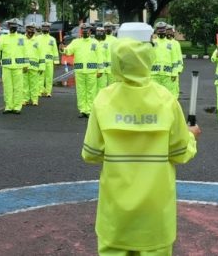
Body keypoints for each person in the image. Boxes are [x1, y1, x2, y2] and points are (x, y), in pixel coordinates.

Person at [82, 30, 200, 256]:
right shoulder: (166, 99)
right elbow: (180, 153)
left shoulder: (103, 99)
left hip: (115, 215)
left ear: (115, 60)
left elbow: (91, 154)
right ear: (149, 58)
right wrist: (191, 135)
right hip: (155, 216)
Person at [63, 23, 102, 118]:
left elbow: (100, 57)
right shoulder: (76, 42)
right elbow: (68, 51)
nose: (85, 31)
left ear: (90, 31)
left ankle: (89, 110)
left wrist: (100, 70)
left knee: (91, 92)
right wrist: (62, 49)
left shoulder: (95, 42)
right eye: (83, 29)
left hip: (91, 71)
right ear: (81, 31)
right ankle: (82, 110)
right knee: (80, 92)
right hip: (79, 71)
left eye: (87, 29)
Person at [0, 18, 28, 114]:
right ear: (8, 26)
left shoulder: (22, 38)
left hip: (18, 66)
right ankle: (8, 106)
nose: (12, 27)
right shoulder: (3, 37)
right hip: (7, 66)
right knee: (7, 87)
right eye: (11, 25)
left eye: (14, 26)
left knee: (18, 87)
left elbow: (26, 52)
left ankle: (17, 107)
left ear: (17, 27)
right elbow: (0, 48)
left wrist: (26, 65)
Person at [151, 21, 176, 95]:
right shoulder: (152, 43)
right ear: (156, 31)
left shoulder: (171, 44)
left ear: (165, 30)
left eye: (163, 29)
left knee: (167, 95)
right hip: (154, 75)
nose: (161, 31)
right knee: (154, 95)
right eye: (159, 29)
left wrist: (174, 73)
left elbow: (175, 59)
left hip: (167, 75)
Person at [23, 23, 44, 106]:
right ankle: (25, 99)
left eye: (32, 30)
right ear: (26, 30)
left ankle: (34, 99)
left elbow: (41, 54)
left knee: (34, 84)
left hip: (34, 66)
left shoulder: (38, 41)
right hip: (24, 66)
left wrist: (42, 66)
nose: (30, 32)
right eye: (29, 29)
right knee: (24, 84)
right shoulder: (21, 39)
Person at [38, 22, 58, 97]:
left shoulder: (52, 39)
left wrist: (56, 61)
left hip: (49, 61)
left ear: (49, 29)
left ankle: (48, 91)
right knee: (40, 77)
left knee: (49, 77)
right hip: (41, 61)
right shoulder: (38, 38)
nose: (45, 29)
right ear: (42, 28)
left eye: (47, 27)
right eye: (44, 27)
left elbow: (55, 50)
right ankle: (40, 91)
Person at [166, 25, 183, 97]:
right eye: (168, 30)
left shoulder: (176, 43)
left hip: (174, 71)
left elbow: (179, 58)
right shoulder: (162, 43)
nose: (169, 32)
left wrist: (179, 69)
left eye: (171, 31)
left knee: (174, 91)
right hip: (165, 72)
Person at [95, 26, 110, 92]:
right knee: (93, 89)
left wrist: (107, 70)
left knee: (102, 89)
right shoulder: (93, 43)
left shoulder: (107, 44)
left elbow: (108, 57)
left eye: (101, 31)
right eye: (98, 31)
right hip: (93, 70)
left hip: (103, 71)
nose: (100, 33)